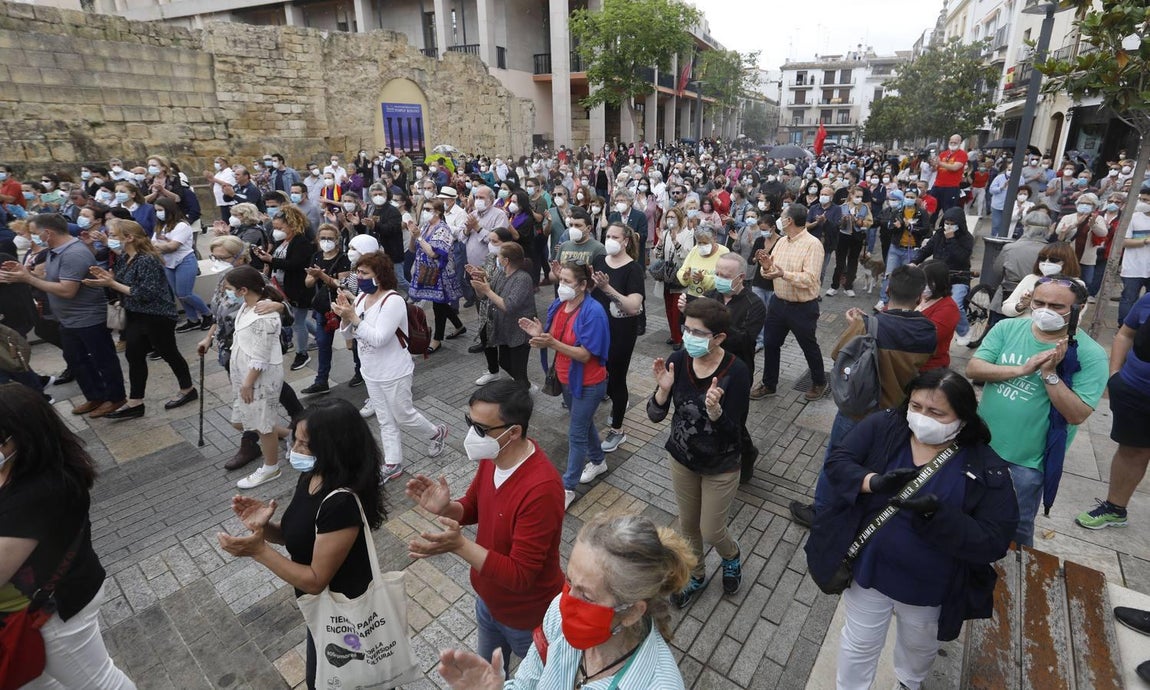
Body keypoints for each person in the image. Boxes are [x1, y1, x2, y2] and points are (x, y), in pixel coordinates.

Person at [807, 370, 1018, 690]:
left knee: (918, 648)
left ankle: (908, 682)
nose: (922, 418)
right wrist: (871, 482)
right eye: (916, 406)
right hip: (870, 570)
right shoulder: (885, 426)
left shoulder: (985, 466)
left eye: (936, 412)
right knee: (859, 643)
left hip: (930, 586)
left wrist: (940, 514)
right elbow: (838, 461)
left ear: (961, 418)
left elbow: (994, 538)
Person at [215, 397, 385, 689]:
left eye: (305, 444)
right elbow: (297, 537)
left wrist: (258, 551)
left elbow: (315, 579)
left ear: (335, 448)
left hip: (347, 613)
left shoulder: (341, 502)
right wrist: (264, 527)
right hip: (321, 609)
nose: (294, 450)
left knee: (336, 681)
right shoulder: (313, 475)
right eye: (295, 440)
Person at [407, 380, 565, 671]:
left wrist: (460, 545)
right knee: (490, 678)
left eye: (480, 428)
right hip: (488, 603)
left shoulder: (541, 488)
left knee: (541, 679)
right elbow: (474, 506)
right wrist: (447, 508)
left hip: (527, 618)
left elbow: (521, 575)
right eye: (470, 422)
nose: (471, 434)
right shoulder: (493, 457)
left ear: (514, 432)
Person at [437, 513, 693, 689]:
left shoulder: (659, 684)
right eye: (570, 582)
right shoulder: (558, 614)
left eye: (586, 595)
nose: (565, 602)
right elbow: (528, 682)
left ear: (633, 612)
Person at [0, 383, 138, 689]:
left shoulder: (37, 491)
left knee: (99, 682)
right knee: (41, 681)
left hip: (52, 609)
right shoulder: (37, 465)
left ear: (22, 437)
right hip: (44, 601)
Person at [793, 265, 939, 526]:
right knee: (874, 467)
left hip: (858, 410)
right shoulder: (928, 331)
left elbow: (840, 355)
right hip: (896, 412)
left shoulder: (870, 324)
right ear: (920, 298)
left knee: (837, 459)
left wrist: (859, 326)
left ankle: (822, 511)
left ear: (887, 289)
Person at [967, 277, 1108, 545]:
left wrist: (1050, 375)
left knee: (1015, 527)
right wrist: (1020, 370)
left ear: (1077, 310)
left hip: (1027, 463)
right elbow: (975, 368)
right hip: (981, 445)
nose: (1046, 311)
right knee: (969, 511)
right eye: (1040, 303)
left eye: (1057, 306)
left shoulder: (1090, 354)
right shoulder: (1007, 329)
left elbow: (1077, 414)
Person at [647, 298, 750, 607]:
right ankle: (697, 574)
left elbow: (737, 432)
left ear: (718, 338)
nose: (688, 336)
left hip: (722, 464)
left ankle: (731, 555)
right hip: (682, 458)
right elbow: (654, 415)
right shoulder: (678, 359)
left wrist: (716, 413)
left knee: (711, 528)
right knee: (688, 524)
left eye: (698, 332)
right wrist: (663, 390)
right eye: (686, 328)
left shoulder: (737, 370)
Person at [332, 251, 448, 482]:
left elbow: (379, 338)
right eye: (358, 272)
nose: (360, 277)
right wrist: (345, 316)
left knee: (403, 415)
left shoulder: (393, 301)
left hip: (394, 371)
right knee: (385, 419)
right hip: (371, 370)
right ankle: (393, 463)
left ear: (380, 275)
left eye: (364, 273)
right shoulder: (363, 298)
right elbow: (352, 333)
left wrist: (354, 318)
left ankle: (437, 432)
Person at [0, 213, 127, 418]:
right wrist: (26, 273)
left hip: (87, 318)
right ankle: (96, 395)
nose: (33, 238)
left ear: (47, 232)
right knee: (76, 359)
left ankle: (116, 397)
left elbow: (67, 290)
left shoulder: (73, 253)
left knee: (103, 359)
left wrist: (27, 279)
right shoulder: (54, 251)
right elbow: (49, 279)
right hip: (68, 319)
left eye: (34, 233)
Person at [198, 236, 300, 471]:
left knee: (267, 395)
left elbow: (285, 309)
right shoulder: (226, 281)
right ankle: (282, 433)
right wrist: (208, 336)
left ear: (240, 257)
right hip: (232, 351)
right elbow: (219, 314)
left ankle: (260, 442)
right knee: (249, 401)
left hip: (257, 352)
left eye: (222, 257)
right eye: (214, 257)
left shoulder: (255, 280)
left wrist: (278, 306)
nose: (218, 262)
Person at [80, 219, 197, 419]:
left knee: (169, 353)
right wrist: (107, 279)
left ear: (129, 238)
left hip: (156, 315)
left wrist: (111, 283)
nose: (111, 239)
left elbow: (145, 293)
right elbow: (121, 281)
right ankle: (135, 402)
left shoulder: (147, 260)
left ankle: (187, 389)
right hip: (135, 314)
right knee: (133, 355)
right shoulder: (124, 256)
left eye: (115, 235)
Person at [520, 262, 610, 510]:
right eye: (561, 281)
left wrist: (552, 344)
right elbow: (553, 335)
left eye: (568, 282)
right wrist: (539, 332)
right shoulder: (560, 305)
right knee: (583, 423)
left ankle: (568, 487)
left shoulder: (594, 312)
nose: (562, 287)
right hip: (566, 378)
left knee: (576, 432)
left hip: (589, 383)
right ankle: (599, 460)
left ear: (583, 285)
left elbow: (585, 355)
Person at [1075, 292, 1150, 529]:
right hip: (1135, 390)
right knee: (1132, 451)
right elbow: (1126, 334)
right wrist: (1114, 374)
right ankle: (1115, 508)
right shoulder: (1148, 300)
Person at [220, 265, 293, 489]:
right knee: (240, 420)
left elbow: (261, 356)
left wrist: (248, 383)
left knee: (263, 424)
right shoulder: (246, 306)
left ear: (243, 290)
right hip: (246, 375)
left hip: (260, 378)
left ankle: (271, 467)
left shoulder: (265, 315)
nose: (226, 293)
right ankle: (292, 435)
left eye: (229, 289)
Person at [753, 203, 827, 402]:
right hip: (778, 303)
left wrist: (783, 274)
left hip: (802, 307)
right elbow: (769, 270)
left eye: (782, 216)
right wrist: (767, 266)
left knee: (808, 345)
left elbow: (811, 279)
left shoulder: (813, 245)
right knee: (770, 343)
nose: (780, 219)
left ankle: (819, 381)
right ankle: (769, 384)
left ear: (789, 221)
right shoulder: (782, 242)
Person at [590, 222, 645, 456]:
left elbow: (633, 306)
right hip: (598, 329)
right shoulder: (600, 261)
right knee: (602, 374)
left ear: (625, 241)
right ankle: (614, 403)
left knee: (617, 378)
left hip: (621, 332)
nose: (610, 239)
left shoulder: (634, 269)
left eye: (615, 236)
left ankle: (617, 429)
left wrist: (607, 288)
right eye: (607, 235)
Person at [254, 205, 316, 371]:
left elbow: (295, 264)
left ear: (292, 225)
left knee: (298, 322)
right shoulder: (282, 241)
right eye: (275, 228)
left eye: (280, 228)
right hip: (283, 287)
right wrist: (266, 259)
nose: (276, 231)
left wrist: (271, 260)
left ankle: (302, 353)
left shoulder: (301, 242)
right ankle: (320, 337)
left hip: (299, 288)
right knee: (299, 319)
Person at [469, 239, 536, 389]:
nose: (497, 259)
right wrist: (479, 282)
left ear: (506, 260)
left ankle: (524, 394)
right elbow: (485, 296)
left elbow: (508, 306)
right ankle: (525, 387)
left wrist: (487, 290)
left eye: (499, 256)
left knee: (518, 370)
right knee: (504, 362)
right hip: (505, 329)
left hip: (519, 331)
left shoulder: (523, 278)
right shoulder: (501, 273)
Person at [300, 223, 351, 396]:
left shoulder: (344, 258)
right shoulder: (316, 256)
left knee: (354, 343)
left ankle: (361, 372)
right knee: (323, 344)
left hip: (343, 306)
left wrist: (322, 275)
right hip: (324, 307)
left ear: (337, 240)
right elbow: (307, 283)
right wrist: (313, 276)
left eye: (330, 238)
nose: (326, 241)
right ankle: (321, 381)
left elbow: (341, 285)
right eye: (323, 238)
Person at [409, 197, 465, 353]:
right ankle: (459, 326)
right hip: (427, 271)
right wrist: (414, 235)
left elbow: (434, 254)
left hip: (440, 274)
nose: (425, 213)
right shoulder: (426, 226)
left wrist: (419, 237)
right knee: (440, 303)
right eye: (424, 209)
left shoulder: (443, 229)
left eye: (428, 209)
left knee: (438, 305)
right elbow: (413, 249)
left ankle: (437, 339)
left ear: (438, 212)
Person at [150, 196, 214, 332]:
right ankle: (193, 319)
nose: (158, 213)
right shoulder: (161, 226)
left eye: (160, 210)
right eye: (156, 210)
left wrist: (160, 244)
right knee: (178, 294)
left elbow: (173, 246)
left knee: (185, 293)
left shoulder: (182, 225)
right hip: (168, 262)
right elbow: (152, 244)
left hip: (184, 261)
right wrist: (162, 244)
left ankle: (208, 314)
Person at [911, 206, 973, 345]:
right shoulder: (939, 234)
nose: (949, 226)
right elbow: (927, 250)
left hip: (958, 277)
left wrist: (951, 240)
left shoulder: (967, 238)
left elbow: (962, 258)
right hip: (938, 276)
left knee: (955, 304)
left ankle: (964, 331)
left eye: (952, 224)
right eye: (947, 223)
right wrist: (914, 261)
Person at [876, 189, 929, 312]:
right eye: (907, 196)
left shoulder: (921, 213)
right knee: (889, 274)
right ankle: (883, 300)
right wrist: (896, 227)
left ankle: (904, 302)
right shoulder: (898, 211)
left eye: (912, 196)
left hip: (911, 249)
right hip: (896, 248)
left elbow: (925, 229)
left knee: (908, 277)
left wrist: (910, 227)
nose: (909, 198)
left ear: (916, 198)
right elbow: (889, 226)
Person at [1000, 241, 1083, 318]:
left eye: (1053, 260)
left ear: (1067, 262)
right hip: (1021, 327)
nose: (1046, 262)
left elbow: (1076, 319)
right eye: (1042, 258)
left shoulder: (1076, 285)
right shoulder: (1030, 278)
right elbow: (1006, 308)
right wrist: (1022, 305)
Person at [654, 206, 692, 350]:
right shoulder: (664, 233)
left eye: (673, 218)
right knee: (668, 309)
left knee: (677, 310)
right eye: (668, 217)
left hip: (679, 275)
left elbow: (686, 255)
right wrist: (661, 242)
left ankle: (678, 338)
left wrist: (676, 241)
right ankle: (673, 334)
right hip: (666, 276)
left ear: (679, 219)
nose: (670, 220)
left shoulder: (687, 234)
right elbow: (657, 255)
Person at [917, 260, 961, 370]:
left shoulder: (948, 308)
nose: (923, 285)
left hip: (929, 366)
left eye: (927, 282)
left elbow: (928, 337)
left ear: (939, 282)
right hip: (908, 362)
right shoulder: (919, 297)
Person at [675, 226, 730, 301]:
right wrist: (684, 276)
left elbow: (724, 280)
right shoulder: (695, 250)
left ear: (714, 239)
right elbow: (682, 270)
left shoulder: (724, 252)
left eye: (705, 243)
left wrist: (704, 279)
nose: (702, 246)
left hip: (713, 301)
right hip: (693, 298)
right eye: (699, 243)